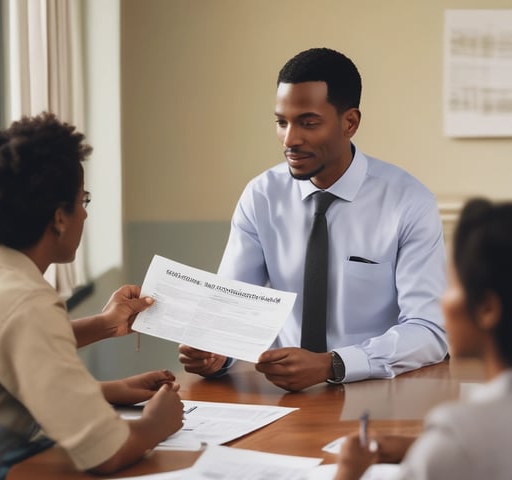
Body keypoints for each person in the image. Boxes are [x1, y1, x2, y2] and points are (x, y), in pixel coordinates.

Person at [179, 47, 448, 391]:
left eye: (308, 123)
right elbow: (231, 309)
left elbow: (430, 331)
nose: (290, 140)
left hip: (380, 391)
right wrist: (216, 352)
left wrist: (333, 364)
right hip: (282, 395)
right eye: (281, 122)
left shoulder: (408, 201)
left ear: (349, 122)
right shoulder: (261, 196)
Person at [0, 113, 184, 478]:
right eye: (83, 200)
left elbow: (6, 359)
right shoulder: (27, 302)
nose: (86, 215)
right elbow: (108, 454)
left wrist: (108, 386)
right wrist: (157, 424)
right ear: (60, 217)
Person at [334, 198, 512, 480]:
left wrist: (347, 472)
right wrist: (423, 446)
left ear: (488, 309)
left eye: (452, 286)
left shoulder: (459, 435)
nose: (442, 302)